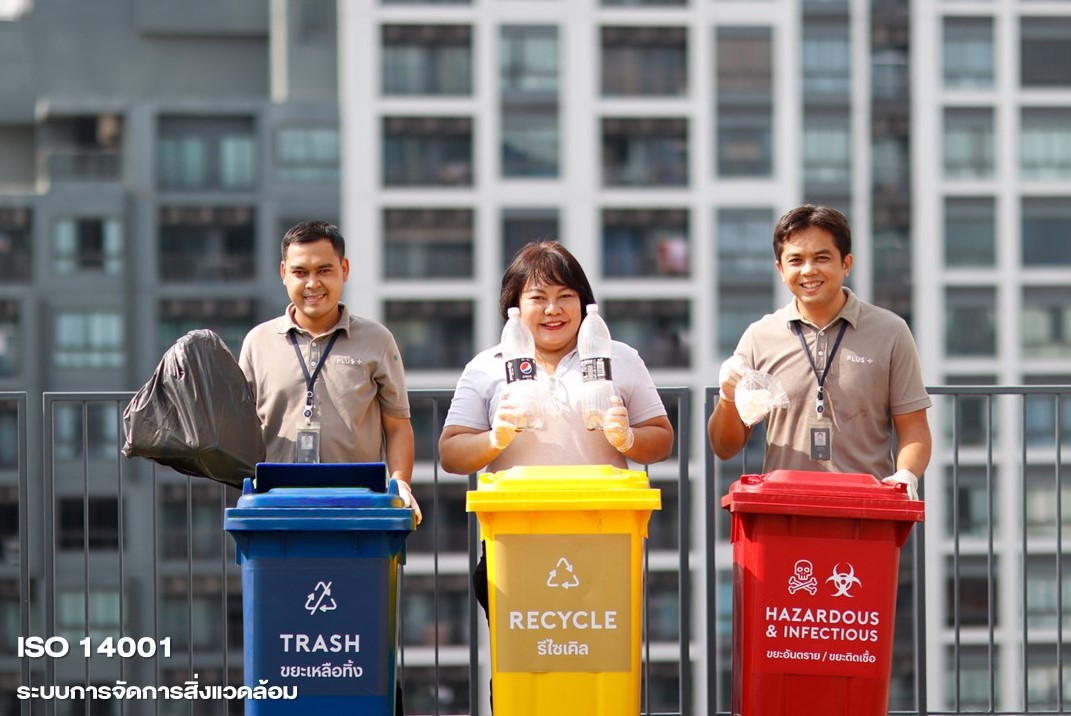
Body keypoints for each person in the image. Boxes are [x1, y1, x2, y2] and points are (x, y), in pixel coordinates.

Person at [438, 240, 674, 709]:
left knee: (597, 666)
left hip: (603, 546)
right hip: (515, 548)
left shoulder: (618, 358)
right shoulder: (488, 367)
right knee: (527, 667)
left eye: (565, 296)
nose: (552, 310)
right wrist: (494, 440)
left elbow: (662, 438)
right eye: (538, 297)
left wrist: (628, 438)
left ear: (584, 304)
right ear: (514, 306)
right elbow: (450, 451)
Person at [238, 219, 418, 716]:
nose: (312, 282)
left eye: (324, 270)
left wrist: (400, 484)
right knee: (286, 648)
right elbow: (239, 431)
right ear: (282, 274)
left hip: (356, 519)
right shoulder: (259, 342)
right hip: (279, 520)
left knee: (356, 650)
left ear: (344, 270)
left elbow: (399, 427)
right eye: (300, 271)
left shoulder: (376, 340)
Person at [707, 204, 931, 498]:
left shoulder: (891, 331)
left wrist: (906, 475)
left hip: (867, 511)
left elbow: (915, 430)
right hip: (784, 510)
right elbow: (725, 447)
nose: (808, 270)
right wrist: (727, 397)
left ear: (846, 264)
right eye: (796, 260)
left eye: (822, 258)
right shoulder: (759, 337)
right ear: (780, 269)